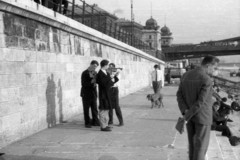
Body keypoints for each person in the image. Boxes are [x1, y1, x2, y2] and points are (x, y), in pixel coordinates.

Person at [177, 55, 219, 160]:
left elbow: (179, 95)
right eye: (214, 68)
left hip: (190, 118)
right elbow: (200, 102)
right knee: (201, 148)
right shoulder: (206, 79)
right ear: (209, 66)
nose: (214, 70)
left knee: (192, 147)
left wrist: (185, 112)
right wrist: (187, 114)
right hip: (203, 117)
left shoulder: (186, 75)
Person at [96, 60, 119, 132]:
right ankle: (103, 126)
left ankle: (105, 125)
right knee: (103, 109)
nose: (108, 66)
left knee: (107, 109)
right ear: (105, 65)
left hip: (107, 94)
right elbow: (103, 84)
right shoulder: (100, 74)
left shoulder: (106, 72)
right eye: (107, 65)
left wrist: (114, 77)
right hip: (103, 94)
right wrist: (111, 80)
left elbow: (111, 81)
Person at [80, 60, 100, 128]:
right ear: (90, 64)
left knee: (94, 108)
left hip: (93, 93)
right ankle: (87, 122)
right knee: (86, 109)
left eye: (96, 67)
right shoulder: (85, 73)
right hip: (86, 93)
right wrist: (91, 82)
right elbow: (83, 84)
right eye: (94, 66)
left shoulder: (95, 72)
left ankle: (95, 121)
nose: (95, 68)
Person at [107, 63, 124, 127]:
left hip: (115, 89)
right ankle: (110, 121)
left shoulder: (117, 73)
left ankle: (121, 121)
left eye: (112, 67)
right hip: (109, 89)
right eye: (109, 67)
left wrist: (112, 75)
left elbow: (115, 80)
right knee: (110, 106)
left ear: (114, 67)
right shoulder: (108, 72)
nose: (110, 68)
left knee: (116, 106)